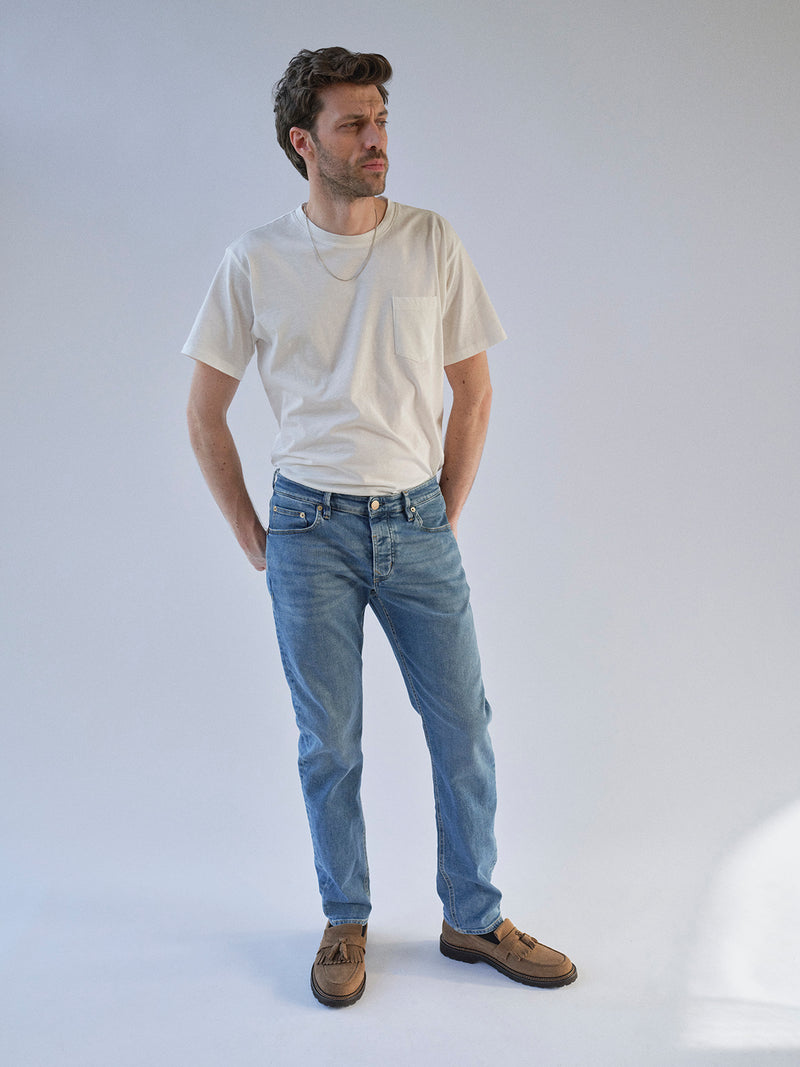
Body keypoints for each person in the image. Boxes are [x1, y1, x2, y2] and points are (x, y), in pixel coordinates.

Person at [184, 46, 576, 1007]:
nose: (376, 141)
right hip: (306, 529)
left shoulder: (432, 240)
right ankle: (345, 918)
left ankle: (472, 916)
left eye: (382, 121)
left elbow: (474, 390)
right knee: (332, 743)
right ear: (301, 141)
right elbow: (204, 410)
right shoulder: (256, 259)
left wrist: (439, 510)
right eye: (354, 124)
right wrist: (252, 539)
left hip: (415, 523)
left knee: (464, 727)